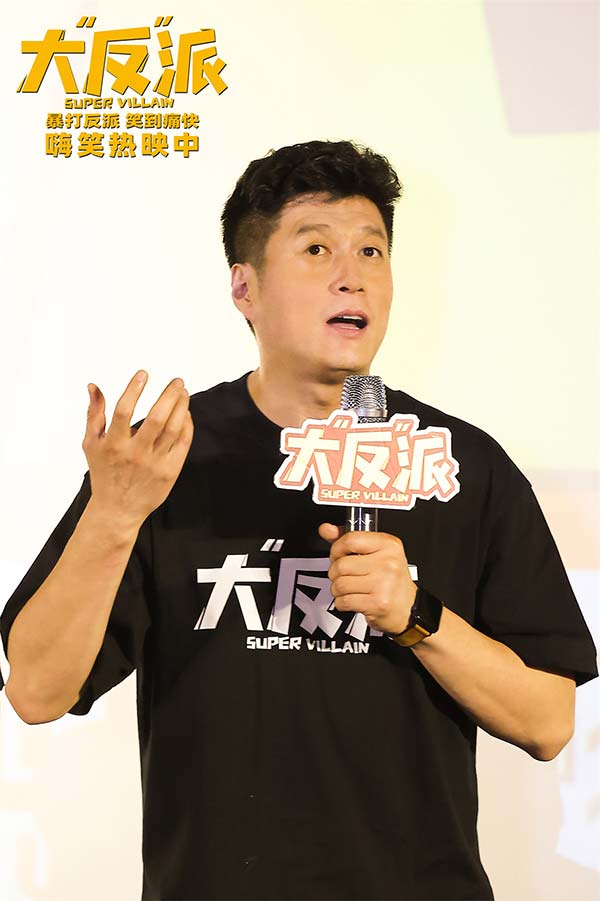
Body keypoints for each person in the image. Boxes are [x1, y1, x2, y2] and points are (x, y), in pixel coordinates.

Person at [0, 140, 597, 901]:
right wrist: (115, 515)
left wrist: (415, 614)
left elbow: (549, 721)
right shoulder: (165, 459)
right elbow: (36, 692)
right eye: (316, 248)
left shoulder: (461, 466)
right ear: (244, 287)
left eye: (371, 250)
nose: (353, 274)